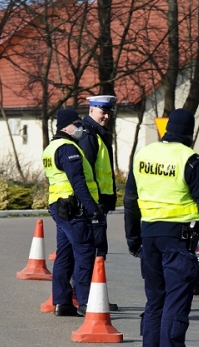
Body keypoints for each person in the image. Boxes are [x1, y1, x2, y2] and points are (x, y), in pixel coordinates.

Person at [123, 108, 199, 347]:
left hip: (148, 237)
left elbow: (130, 199)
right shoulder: (190, 160)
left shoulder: (144, 155)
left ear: (167, 129)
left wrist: (132, 238)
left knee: (155, 301)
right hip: (177, 240)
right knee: (175, 302)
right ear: (190, 133)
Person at [43, 108, 103, 317]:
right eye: (76, 123)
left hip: (59, 207)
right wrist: (93, 209)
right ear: (65, 126)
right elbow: (78, 182)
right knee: (85, 251)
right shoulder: (69, 149)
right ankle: (86, 302)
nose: (80, 127)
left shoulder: (51, 148)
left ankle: (62, 302)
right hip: (73, 207)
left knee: (65, 253)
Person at [79, 94, 119, 311]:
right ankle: (91, 299)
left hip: (98, 202)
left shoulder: (98, 134)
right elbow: (85, 174)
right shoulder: (89, 136)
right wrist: (93, 203)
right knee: (95, 251)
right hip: (93, 204)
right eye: (102, 111)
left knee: (97, 250)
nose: (106, 116)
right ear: (91, 110)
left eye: (108, 112)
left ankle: (95, 297)